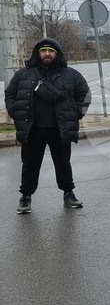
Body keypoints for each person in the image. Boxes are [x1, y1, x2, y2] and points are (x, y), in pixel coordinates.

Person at [5, 38, 91, 213]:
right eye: (43, 50)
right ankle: (26, 196)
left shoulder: (71, 74)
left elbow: (85, 94)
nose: (47, 54)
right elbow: (10, 93)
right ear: (38, 53)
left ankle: (68, 193)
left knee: (63, 163)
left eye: (51, 51)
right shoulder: (24, 74)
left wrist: (77, 113)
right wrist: (15, 111)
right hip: (33, 129)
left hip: (59, 129)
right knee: (30, 164)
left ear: (57, 54)